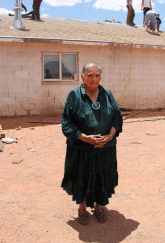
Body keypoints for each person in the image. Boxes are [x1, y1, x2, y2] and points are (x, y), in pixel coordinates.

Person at [61, 62, 123, 225]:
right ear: (82, 77)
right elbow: (66, 123)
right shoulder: (74, 95)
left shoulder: (107, 94)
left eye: (97, 75)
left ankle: (99, 206)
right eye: (90, 75)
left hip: (105, 148)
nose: (94, 79)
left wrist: (109, 136)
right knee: (81, 177)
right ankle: (82, 209)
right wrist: (86, 138)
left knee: (102, 176)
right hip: (81, 149)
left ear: (100, 77)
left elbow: (117, 117)